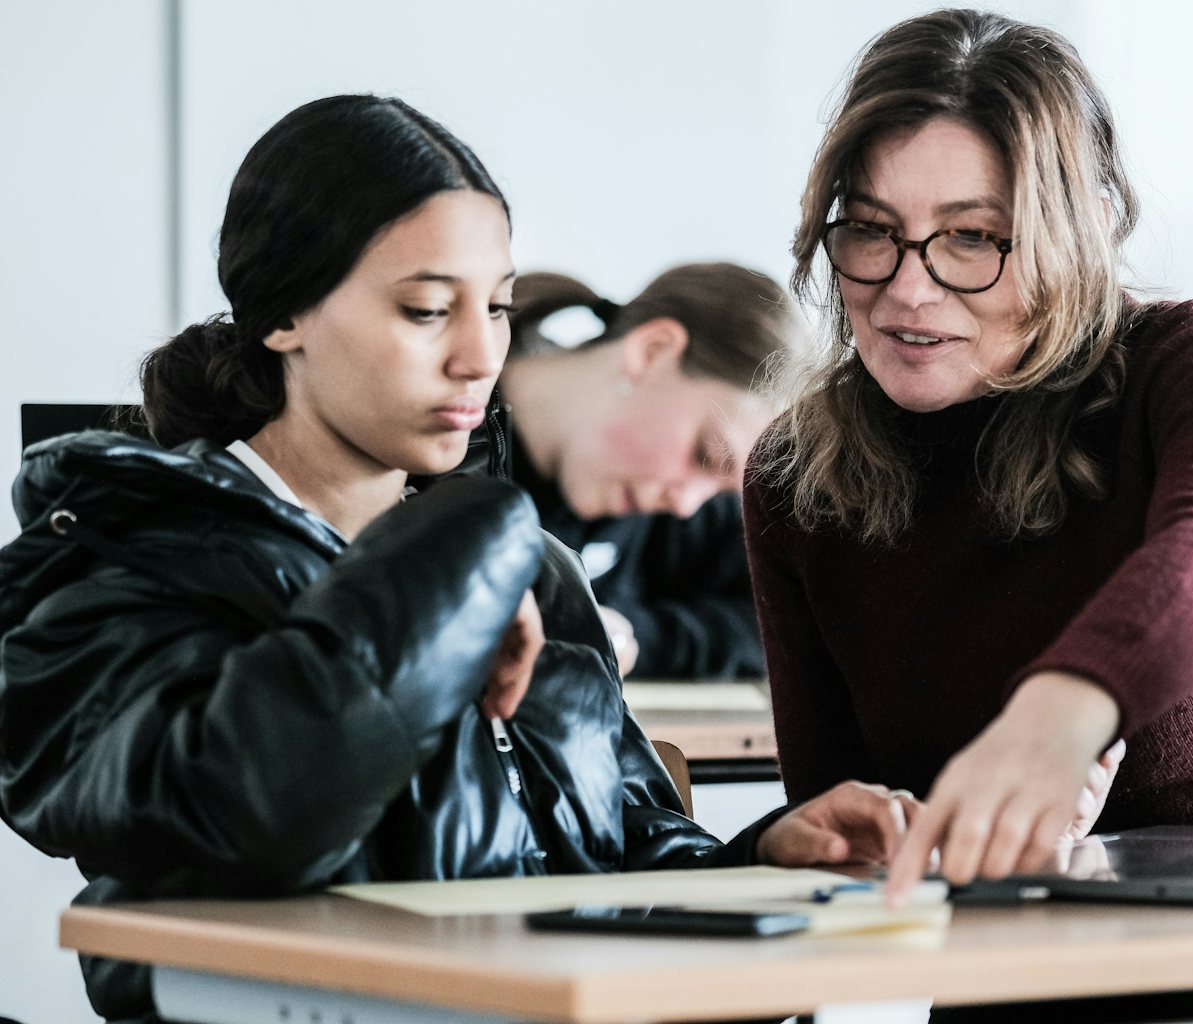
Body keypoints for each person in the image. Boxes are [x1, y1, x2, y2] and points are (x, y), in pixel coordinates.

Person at [0, 94, 914, 1024]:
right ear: (284, 316)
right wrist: (477, 537)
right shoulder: (126, 546)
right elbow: (251, 821)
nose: (481, 355)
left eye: (500, 307)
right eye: (428, 309)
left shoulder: (533, 570)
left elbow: (622, 850)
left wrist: (754, 864)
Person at [743, 10, 1193, 1018]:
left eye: (973, 237)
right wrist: (810, 840)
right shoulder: (793, 473)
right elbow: (837, 841)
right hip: (1026, 982)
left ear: (1069, 233)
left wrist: (1058, 716)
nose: (907, 286)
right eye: (869, 229)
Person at [493, 265, 806, 679]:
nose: (685, 504)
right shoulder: (436, 448)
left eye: (719, 492)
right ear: (653, 351)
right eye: (706, 456)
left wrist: (632, 638)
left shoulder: (660, 510)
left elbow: (790, 616)